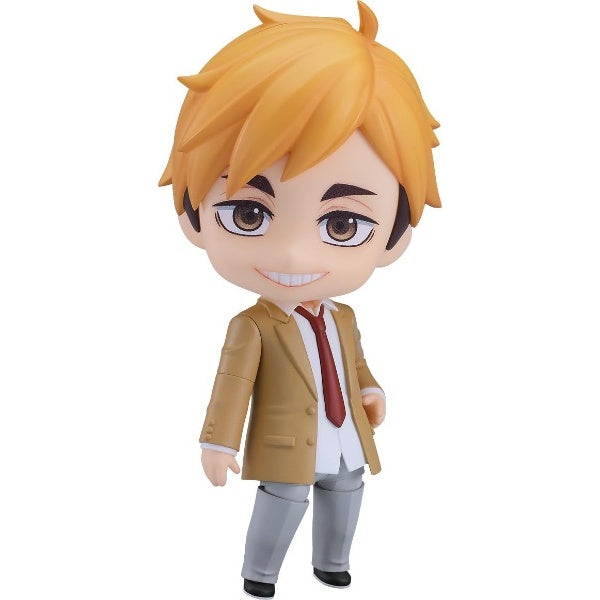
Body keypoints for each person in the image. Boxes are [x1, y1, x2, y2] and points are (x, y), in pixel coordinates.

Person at [159, 3, 441, 597]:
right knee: (283, 499)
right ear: (192, 215)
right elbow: (232, 384)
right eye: (248, 214)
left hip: (346, 436)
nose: (291, 254)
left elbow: (354, 363)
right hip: (286, 442)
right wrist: (217, 442)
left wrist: (370, 390)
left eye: (342, 225)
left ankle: (333, 564)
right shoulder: (252, 325)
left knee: (347, 490)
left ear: (395, 236)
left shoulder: (344, 315)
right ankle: (260, 575)